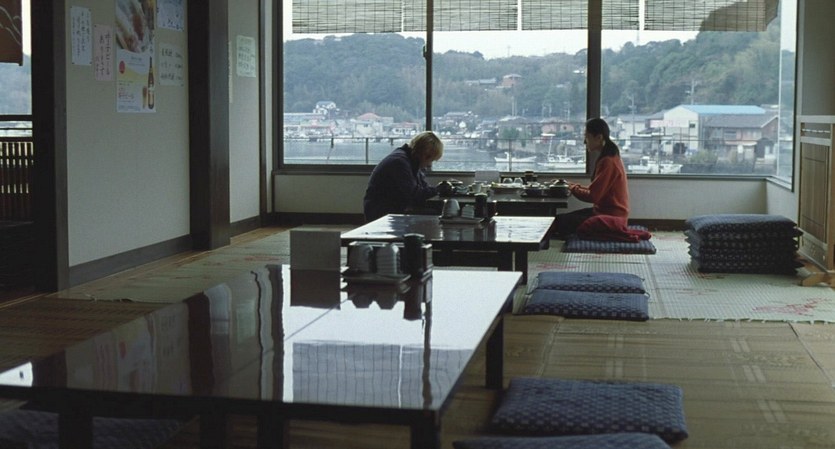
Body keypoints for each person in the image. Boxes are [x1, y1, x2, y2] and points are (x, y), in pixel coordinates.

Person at [554, 117, 630, 238]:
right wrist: (569, 185)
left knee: (557, 222)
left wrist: (571, 188)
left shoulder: (608, 161)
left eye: (587, 137)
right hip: (604, 213)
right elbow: (594, 190)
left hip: (610, 218)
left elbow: (593, 196)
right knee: (558, 221)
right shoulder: (610, 157)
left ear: (599, 137)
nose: (585, 142)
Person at [363, 131, 445, 222]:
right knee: (438, 213)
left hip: (388, 208)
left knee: (439, 209)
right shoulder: (400, 163)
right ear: (425, 155)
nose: (429, 164)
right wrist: (438, 190)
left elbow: (421, 188)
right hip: (382, 212)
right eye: (431, 160)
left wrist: (437, 190)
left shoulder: (408, 160)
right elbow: (414, 195)